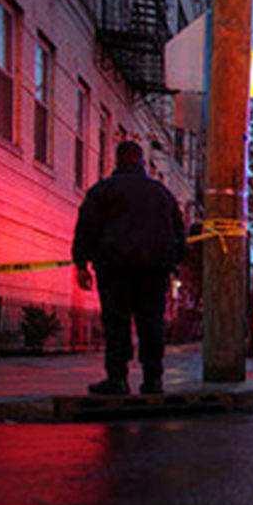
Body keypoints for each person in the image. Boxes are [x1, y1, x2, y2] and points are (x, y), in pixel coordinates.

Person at [72, 140, 186, 395]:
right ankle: (152, 379)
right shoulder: (161, 194)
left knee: (116, 322)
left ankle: (117, 378)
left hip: (114, 267)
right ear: (142, 162)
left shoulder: (104, 191)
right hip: (154, 269)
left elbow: (86, 228)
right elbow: (180, 232)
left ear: (117, 160)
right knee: (151, 323)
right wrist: (172, 261)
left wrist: (81, 263)